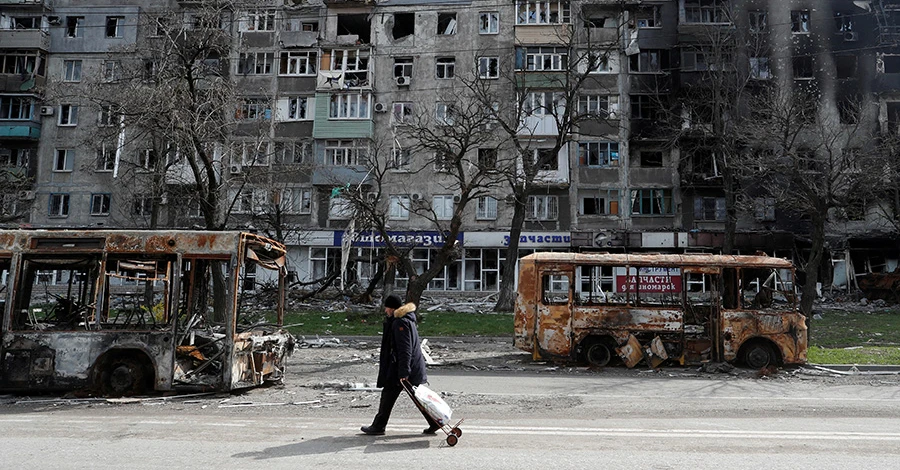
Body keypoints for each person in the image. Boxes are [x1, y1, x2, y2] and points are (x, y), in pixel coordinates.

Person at [361, 294, 440, 436]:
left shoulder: (400, 323)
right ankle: (434, 422)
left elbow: (405, 349)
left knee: (390, 395)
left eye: (386, 308)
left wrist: (404, 372)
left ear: (392, 308)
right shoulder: (405, 320)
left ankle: (378, 426)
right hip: (405, 367)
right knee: (416, 398)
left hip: (402, 369)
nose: (385, 311)